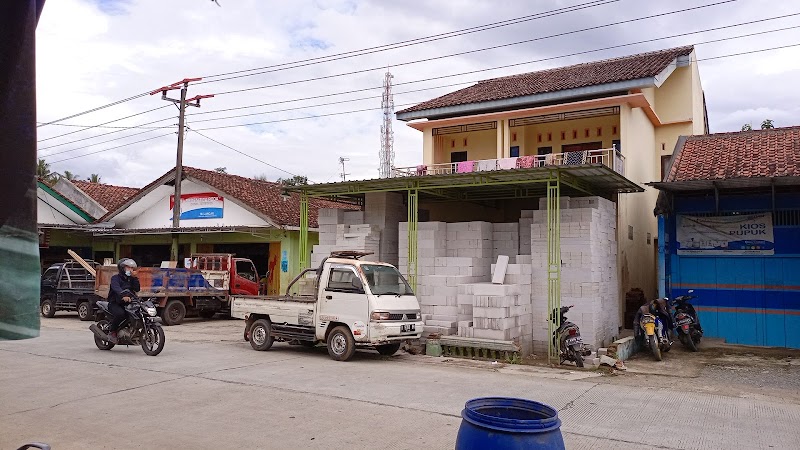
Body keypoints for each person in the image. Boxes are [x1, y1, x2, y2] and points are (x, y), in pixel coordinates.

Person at [106, 258, 140, 343]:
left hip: (128, 303)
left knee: (138, 312)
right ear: (122, 268)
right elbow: (116, 288)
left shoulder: (131, 279)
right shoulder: (115, 278)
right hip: (115, 303)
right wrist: (123, 295)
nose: (130, 270)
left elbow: (137, 289)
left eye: (132, 268)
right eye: (128, 267)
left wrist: (135, 278)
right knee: (120, 314)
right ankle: (112, 332)